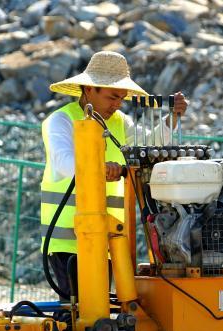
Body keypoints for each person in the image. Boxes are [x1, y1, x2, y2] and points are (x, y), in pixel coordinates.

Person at [41, 51, 188, 300]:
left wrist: (171, 119)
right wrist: (101, 168)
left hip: (107, 235)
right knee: (79, 308)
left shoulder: (120, 122)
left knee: (99, 305)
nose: (117, 104)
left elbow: (148, 147)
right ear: (89, 90)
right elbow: (65, 163)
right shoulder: (61, 121)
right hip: (68, 239)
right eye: (112, 97)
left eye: (121, 98)